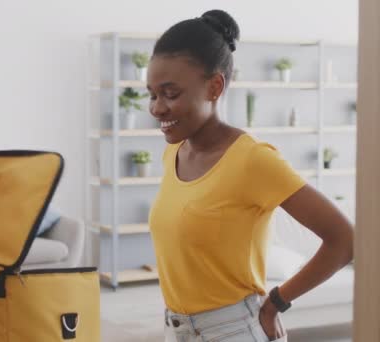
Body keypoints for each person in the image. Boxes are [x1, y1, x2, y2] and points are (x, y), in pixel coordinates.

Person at [147, 9, 354, 342]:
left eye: (170, 94)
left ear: (215, 86)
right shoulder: (174, 151)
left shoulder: (253, 160)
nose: (157, 107)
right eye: (153, 94)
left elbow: (344, 239)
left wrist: (275, 303)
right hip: (177, 329)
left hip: (233, 331)